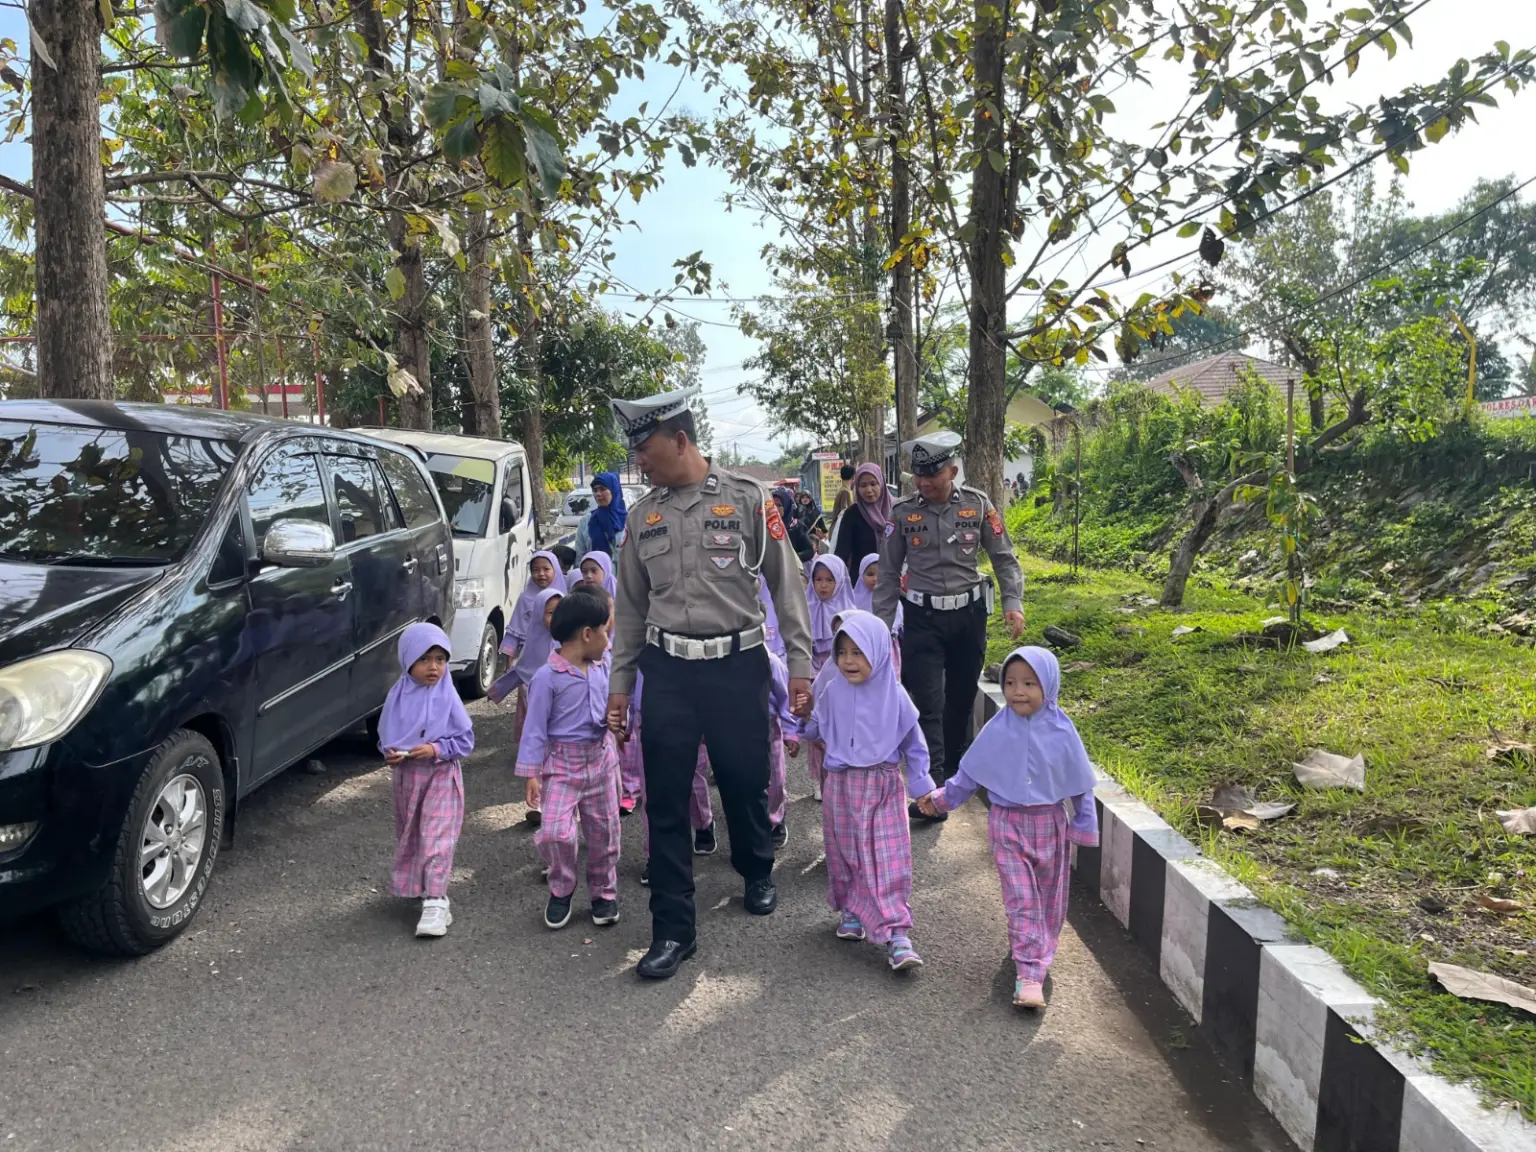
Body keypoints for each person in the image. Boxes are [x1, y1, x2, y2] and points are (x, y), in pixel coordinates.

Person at [607, 386, 814, 981]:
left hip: (737, 665)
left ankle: (756, 867)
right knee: (666, 799)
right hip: (667, 669)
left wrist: (799, 664)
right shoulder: (643, 517)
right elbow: (629, 607)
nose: (639, 461)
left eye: (645, 449)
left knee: (744, 778)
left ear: (680, 439)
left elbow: (786, 583)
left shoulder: (750, 500)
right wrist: (620, 685)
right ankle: (673, 929)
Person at [917, 646, 1099, 1008]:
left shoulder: (1063, 731)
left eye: (1030, 683)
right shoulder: (997, 730)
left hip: (1051, 825)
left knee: (1050, 901)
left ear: (1049, 686)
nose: (1019, 691)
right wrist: (940, 800)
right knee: (1022, 899)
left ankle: (1037, 946)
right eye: (1011, 682)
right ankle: (1029, 972)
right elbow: (969, 774)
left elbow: (1080, 783)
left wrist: (1084, 822)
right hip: (1008, 825)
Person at [873, 431, 1026, 824]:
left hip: (968, 618)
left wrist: (1013, 602)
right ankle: (932, 790)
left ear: (952, 471)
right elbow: (889, 575)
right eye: (919, 476)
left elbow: (1003, 557)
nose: (925, 482)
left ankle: (957, 777)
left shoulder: (978, 505)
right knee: (928, 703)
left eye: (933, 474)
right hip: (921, 619)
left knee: (959, 700)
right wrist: (878, 629)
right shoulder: (902, 513)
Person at [804, 612, 933, 971]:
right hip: (841, 787)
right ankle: (852, 909)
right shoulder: (831, 691)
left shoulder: (895, 694)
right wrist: (803, 719)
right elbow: (816, 729)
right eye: (842, 651)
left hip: (882, 786)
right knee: (846, 852)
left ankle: (897, 934)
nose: (848, 661)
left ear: (878, 651)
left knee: (888, 857)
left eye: (858, 652)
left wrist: (922, 785)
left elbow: (915, 743)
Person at [516, 586, 623, 930]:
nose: (609, 639)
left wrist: (619, 726)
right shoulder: (547, 678)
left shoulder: (603, 667)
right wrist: (531, 773)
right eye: (606, 631)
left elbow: (618, 710)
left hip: (601, 762)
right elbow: (534, 729)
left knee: (605, 833)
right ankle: (562, 886)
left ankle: (604, 893)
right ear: (587, 634)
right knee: (555, 834)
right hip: (561, 767)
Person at [378, 622, 476, 938]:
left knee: (437, 837)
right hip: (408, 778)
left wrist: (436, 748)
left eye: (440, 659)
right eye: (424, 659)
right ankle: (423, 888)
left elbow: (465, 740)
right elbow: (387, 736)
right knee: (414, 834)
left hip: (440, 774)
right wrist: (391, 753)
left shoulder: (447, 695)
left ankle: (436, 900)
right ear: (408, 660)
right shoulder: (398, 695)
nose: (433, 667)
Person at [802, 554, 857, 800]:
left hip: (841, 677)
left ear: (840, 581)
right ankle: (818, 778)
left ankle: (844, 772)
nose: (822, 586)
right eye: (818, 579)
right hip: (814, 676)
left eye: (829, 580)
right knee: (816, 728)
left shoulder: (849, 614)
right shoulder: (804, 607)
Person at [832, 462, 893, 573]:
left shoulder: (896, 512)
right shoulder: (852, 515)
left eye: (873, 484)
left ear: (882, 483)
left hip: (893, 583)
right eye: (863, 485)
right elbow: (841, 555)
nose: (869, 490)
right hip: (860, 584)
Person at [852, 553, 902, 676]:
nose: (875, 579)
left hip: (886, 644)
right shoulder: (854, 598)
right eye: (870, 574)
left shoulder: (890, 597)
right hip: (861, 645)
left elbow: (897, 618)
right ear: (861, 575)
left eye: (880, 574)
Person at [574, 472, 628, 559]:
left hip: (624, 572)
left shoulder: (630, 520)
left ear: (614, 490)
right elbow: (580, 556)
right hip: (594, 572)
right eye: (595, 490)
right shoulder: (587, 521)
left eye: (602, 489)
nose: (598, 494)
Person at [773, 486, 814, 562]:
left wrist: (793, 558)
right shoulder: (765, 526)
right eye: (773, 504)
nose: (775, 508)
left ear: (786, 506)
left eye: (779, 505)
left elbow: (809, 551)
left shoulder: (796, 527)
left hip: (791, 568)